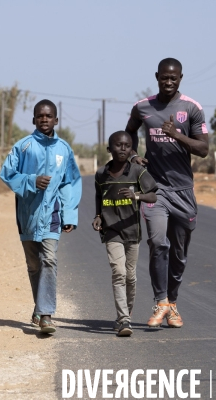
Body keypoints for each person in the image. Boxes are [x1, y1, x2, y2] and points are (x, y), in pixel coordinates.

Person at [125, 58, 209, 328]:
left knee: (179, 253)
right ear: (157, 77)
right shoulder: (143, 107)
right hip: (155, 190)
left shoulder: (191, 108)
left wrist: (176, 135)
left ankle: (172, 302)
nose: (168, 82)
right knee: (158, 243)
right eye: (164, 77)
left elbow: (203, 149)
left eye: (173, 78)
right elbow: (128, 133)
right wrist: (135, 155)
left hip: (183, 190)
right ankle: (161, 302)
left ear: (181, 78)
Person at [0, 99, 82, 334]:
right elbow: (6, 173)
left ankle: (46, 315)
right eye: (40, 116)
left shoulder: (64, 149)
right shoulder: (23, 146)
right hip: (27, 214)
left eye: (49, 116)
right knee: (33, 265)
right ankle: (39, 306)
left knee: (49, 260)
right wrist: (31, 181)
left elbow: (70, 182)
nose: (44, 119)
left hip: (53, 214)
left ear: (56, 120)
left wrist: (69, 215)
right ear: (34, 119)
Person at [92, 131, 157, 337]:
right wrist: (98, 216)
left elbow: (154, 195)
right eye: (118, 145)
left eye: (127, 146)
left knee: (131, 276)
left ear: (131, 150)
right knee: (118, 272)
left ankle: (125, 313)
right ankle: (124, 320)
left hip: (132, 231)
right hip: (111, 231)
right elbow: (99, 197)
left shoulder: (137, 172)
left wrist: (136, 195)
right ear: (109, 149)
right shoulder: (101, 174)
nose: (122, 149)